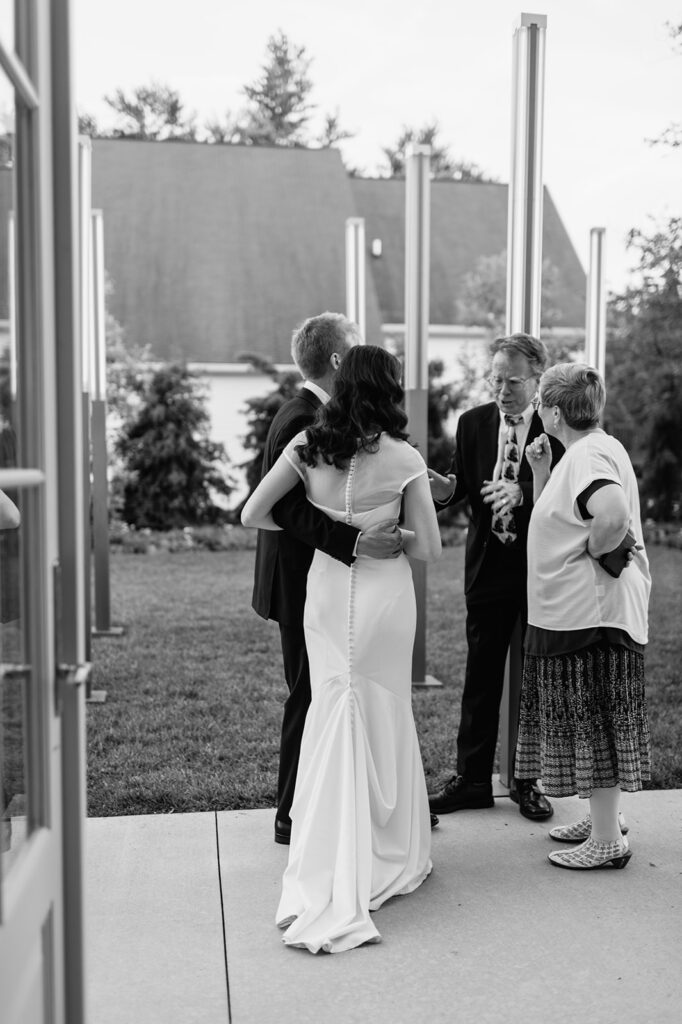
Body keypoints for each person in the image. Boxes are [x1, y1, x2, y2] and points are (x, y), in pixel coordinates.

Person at [242, 344, 442, 953]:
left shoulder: (306, 448)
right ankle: (387, 845)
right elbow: (427, 550)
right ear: (388, 390)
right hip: (382, 599)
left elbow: (256, 513)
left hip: (326, 594)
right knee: (380, 705)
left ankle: (326, 842)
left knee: (332, 703)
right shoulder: (405, 456)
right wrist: (392, 532)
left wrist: (341, 535)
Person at [250, 313, 403, 846]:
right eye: (355, 350)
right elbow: (290, 509)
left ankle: (346, 801)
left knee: (325, 691)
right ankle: (291, 812)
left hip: (313, 578)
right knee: (310, 695)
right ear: (339, 360)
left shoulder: (318, 413)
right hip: (300, 581)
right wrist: (355, 543)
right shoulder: (302, 418)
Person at [516, 363, 651, 869]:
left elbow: (610, 513)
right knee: (589, 719)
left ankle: (607, 842)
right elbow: (569, 516)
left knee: (592, 720)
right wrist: (541, 474)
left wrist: (597, 551)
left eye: (539, 404)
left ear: (554, 410)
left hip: (589, 615)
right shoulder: (590, 449)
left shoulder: (590, 453)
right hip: (582, 613)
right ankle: (604, 819)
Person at [427, 332, 563, 820]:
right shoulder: (473, 422)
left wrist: (522, 490)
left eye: (512, 380)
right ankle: (471, 781)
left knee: (532, 679)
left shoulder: (555, 426)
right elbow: (462, 486)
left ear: (537, 381)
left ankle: (527, 781)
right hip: (487, 567)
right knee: (480, 677)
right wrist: (442, 487)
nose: (502, 389)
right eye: (496, 379)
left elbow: (567, 487)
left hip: (538, 570)